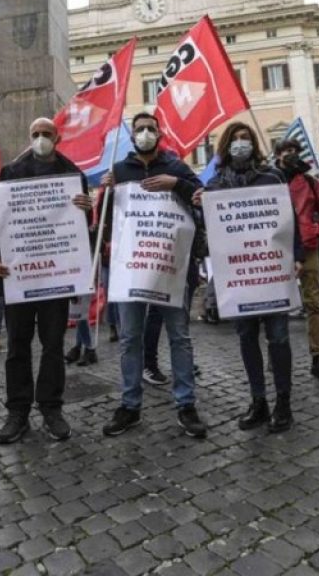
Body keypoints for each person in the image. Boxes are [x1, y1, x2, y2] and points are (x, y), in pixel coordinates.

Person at [101, 112, 207, 439]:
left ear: (159, 134)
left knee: (180, 337)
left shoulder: (176, 166)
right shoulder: (118, 172)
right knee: (130, 338)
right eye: (140, 129)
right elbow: (108, 218)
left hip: (171, 269)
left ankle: (186, 404)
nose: (146, 133)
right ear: (132, 136)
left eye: (151, 128)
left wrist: (177, 184)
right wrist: (103, 195)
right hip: (131, 270)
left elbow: (203, 197)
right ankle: (130, 405)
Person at [0, 117, 92, 444]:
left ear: (57, 138)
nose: (42, 138)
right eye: (36, 134)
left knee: (52, 346)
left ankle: (51, 408)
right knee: (17, 347)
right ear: (29, 137)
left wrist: (87, 211)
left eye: (47, 134)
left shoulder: (74, 176)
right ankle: (17, 411)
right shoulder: (10, 174)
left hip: (56, 280)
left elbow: (80, 229)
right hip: (18, 278)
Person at [194, 122, 303, 432]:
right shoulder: (214, 186)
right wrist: (201, 208)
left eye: (245, 138)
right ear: (226, 146)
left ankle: (284, 401)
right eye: (235, 139)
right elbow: (210, 231)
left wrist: (296, 255)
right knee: (246, 338)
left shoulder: (273, 176)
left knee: (279, 338)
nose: (240, 143)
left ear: (254, 144)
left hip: (271, 271)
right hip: (238, 276)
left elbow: (289, 217)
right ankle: (258, 401)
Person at [274, 138, 319, 384]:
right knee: (275, 304)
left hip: (308, 247)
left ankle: (318, 358)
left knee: (314, 303)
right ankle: (277, 356)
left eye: (294, 150)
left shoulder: (311, 183)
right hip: (277, 249)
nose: (291, 154)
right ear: (278, 155)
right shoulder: (270, 181)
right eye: (286, 151)